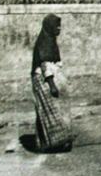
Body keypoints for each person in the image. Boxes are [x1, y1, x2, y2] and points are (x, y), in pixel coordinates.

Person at [31, 14, 74, 153]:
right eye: (57, 26)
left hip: (49, 78)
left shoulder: (51, 40)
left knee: (49, 112)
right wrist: (52, 85)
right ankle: (55, 142)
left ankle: (49, 142)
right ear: (49, 27)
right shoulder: (45, 42)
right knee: (52, 111)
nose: (59, 29)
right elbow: (44, 65)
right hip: (44, 80)